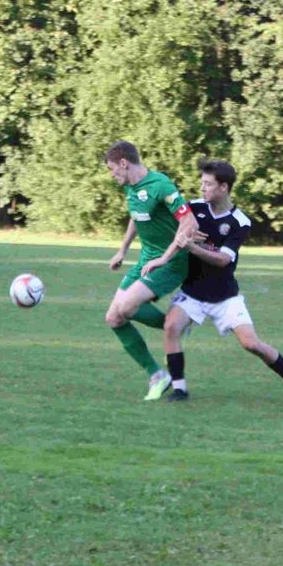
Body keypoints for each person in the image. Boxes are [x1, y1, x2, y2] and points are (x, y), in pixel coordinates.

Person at [160, 159, 283, 404]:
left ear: (224, 187)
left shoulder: (239, 222)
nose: (202, 188)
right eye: (201, 183)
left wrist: (192, 246)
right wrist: (181, 236)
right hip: (192, 292)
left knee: (251, 344)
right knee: (171, 327)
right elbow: (170, 224)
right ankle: (180, 389)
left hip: (225, 297)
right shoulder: (193, 209)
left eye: (208, 184)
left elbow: (223, 260)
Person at [104, 140, 199, 400]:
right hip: (146, 259)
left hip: (171, 263)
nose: (112, 175)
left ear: (124, 163)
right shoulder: (130, 188)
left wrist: (165, 257)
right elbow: (137, 217)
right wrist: (122, 250)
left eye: (113, 169)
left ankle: (177, 325)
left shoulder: (160, 185)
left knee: (126, 307)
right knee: (113, 318)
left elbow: (188, 221)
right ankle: (157, 374)